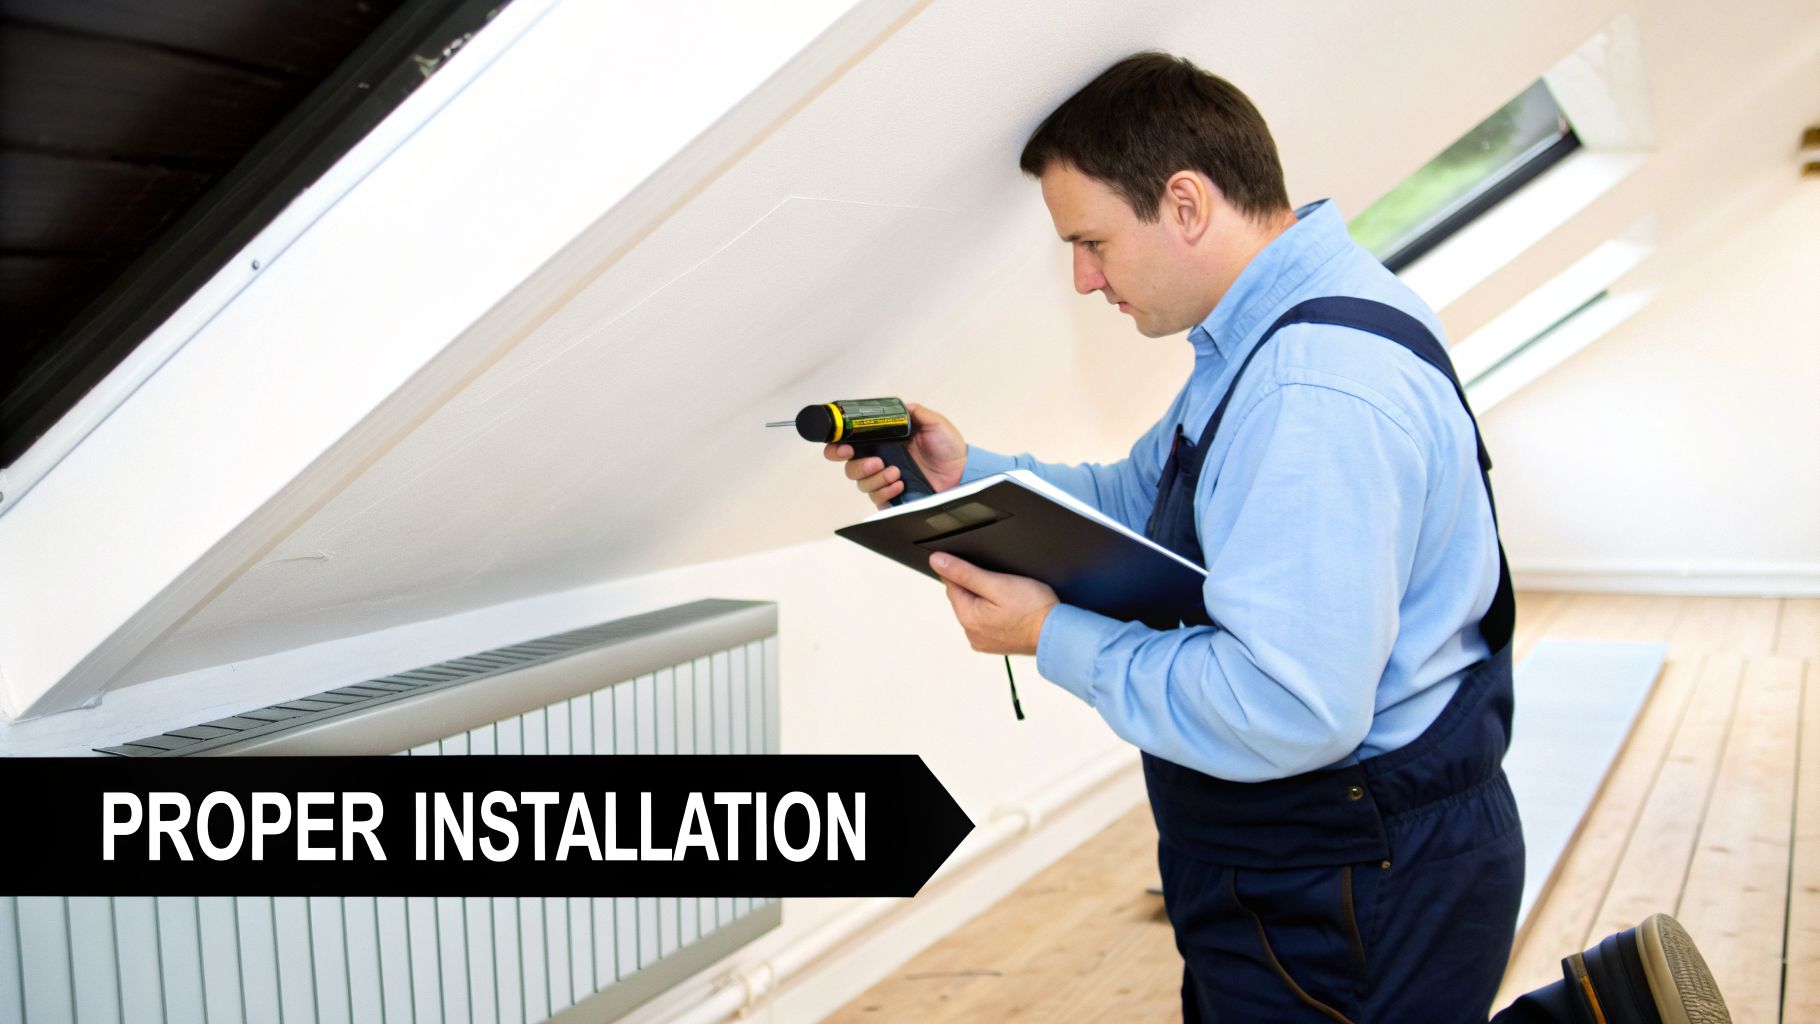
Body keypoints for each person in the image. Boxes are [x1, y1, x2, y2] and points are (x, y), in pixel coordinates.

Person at [825, 52, 1731, 1024]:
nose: (1083, 278)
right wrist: (973, 474)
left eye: (1090, 241)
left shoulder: (1308, 392)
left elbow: (1289, 705)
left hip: (1341, 878)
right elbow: (1140, 496)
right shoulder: (1272, 327)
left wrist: (1051, 636)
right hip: (1361, 853)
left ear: (1183, 203)